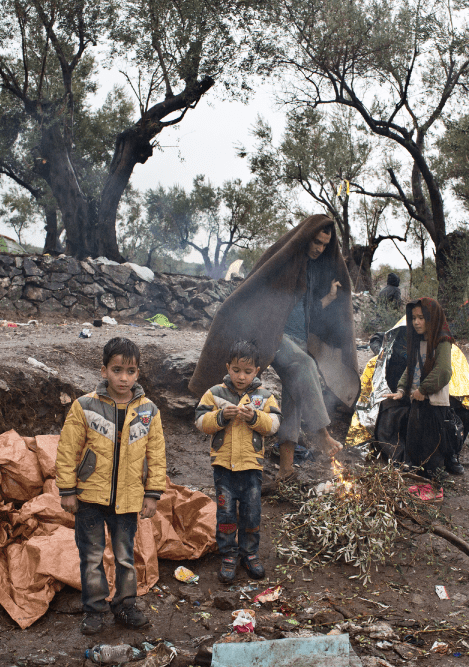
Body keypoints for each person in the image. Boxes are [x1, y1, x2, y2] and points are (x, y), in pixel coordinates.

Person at [189, 214, 360, 485]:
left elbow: (309, 310)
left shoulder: (315, 269)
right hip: (273, 336)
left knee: (294, 397)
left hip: (298, 339)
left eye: (325, 245)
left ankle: (286, 470)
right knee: (305, 365)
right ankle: (322, 435)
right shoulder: (285, 259)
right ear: (306, 237)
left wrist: (329, 298)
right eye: (316, 242)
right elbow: (256, 290)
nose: (319, 248)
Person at [55, 337, 166, 635]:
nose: (123, 377)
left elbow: (156, 455)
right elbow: (68, 449)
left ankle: (125, 605)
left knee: (125, 557)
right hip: (89, 497)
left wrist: (152, 494)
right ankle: (94, 610)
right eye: (117, 370)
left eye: (130, 371)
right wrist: (67, 490)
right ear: (104, 371)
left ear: (138, 373)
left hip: (129, 500)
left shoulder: (149, 411)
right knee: (91, 558)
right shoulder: (84, 406)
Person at [194, 340, 281, 582]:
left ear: (257, 371)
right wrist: (221, 416)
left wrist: (255, 417)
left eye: (247, 371)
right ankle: (229, 554)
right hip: (223, 468)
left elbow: (274, 425)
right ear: (227, 367)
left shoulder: (264, 397)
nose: (241, 376)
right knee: (226, 514)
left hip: (252, 468)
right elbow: (200, 421)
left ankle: (250, 554)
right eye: (235, 370)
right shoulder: (215, 393)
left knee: (252, 513)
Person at [386, 297, 464, 477]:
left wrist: (423, 390)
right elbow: (411, 367)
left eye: (421, 317)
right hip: (417, 402)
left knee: (431, 458)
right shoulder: (418, 340)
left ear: (432, 318)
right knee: (414, 452)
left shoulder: (442, 341)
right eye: (413, 318)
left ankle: (440, 467)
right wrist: (401, 390)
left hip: (434, 405)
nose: (416, 322)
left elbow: (444, 371)